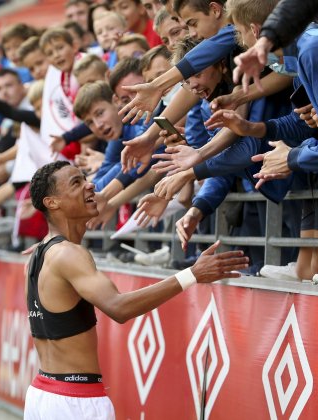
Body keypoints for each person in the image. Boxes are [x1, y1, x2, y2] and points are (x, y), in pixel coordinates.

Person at [23, 160, 248, 418]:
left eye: (85, 177)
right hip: (73, 400)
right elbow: (119, 308)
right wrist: (192, 274)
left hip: (43, 392)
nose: (90, 185)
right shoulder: (68, 254)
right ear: (53, 203)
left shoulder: (39, 253)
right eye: (77, 183)